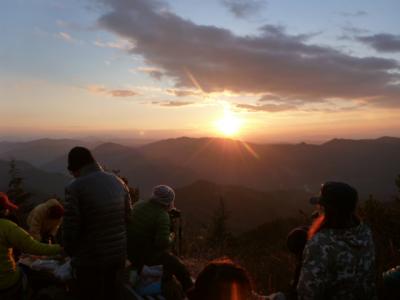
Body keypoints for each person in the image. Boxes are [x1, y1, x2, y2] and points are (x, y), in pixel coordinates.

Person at [63, 146, 132, 300]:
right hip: (118, 256)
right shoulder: (118, 182)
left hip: (90, 260)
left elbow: (70, 228)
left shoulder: (75, 187)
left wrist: (68, 251)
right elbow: (128, 217)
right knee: (112, 293)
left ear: (75, 168)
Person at [297, 182, 377, 300]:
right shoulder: (366, 233)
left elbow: (307, 295)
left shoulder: (320, 244)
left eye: (321, 206)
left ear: (327, 210)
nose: (318, 209)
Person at [127, 185, 193, 293]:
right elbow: (161, 243)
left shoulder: (138, 204)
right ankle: (192, 292)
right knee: (179, 267)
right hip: (143, 256)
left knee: (166, 260)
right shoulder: (162, 216)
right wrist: (172, 236)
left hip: (130, 252)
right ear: (169, 202)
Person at [0, 192, 62, 300]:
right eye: (6, 208)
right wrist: (61, 248)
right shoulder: (7, 227)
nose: (8, 211)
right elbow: (33, 245)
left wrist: (51, 237)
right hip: (7, 283)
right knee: (48, 279)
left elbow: (54, 228)